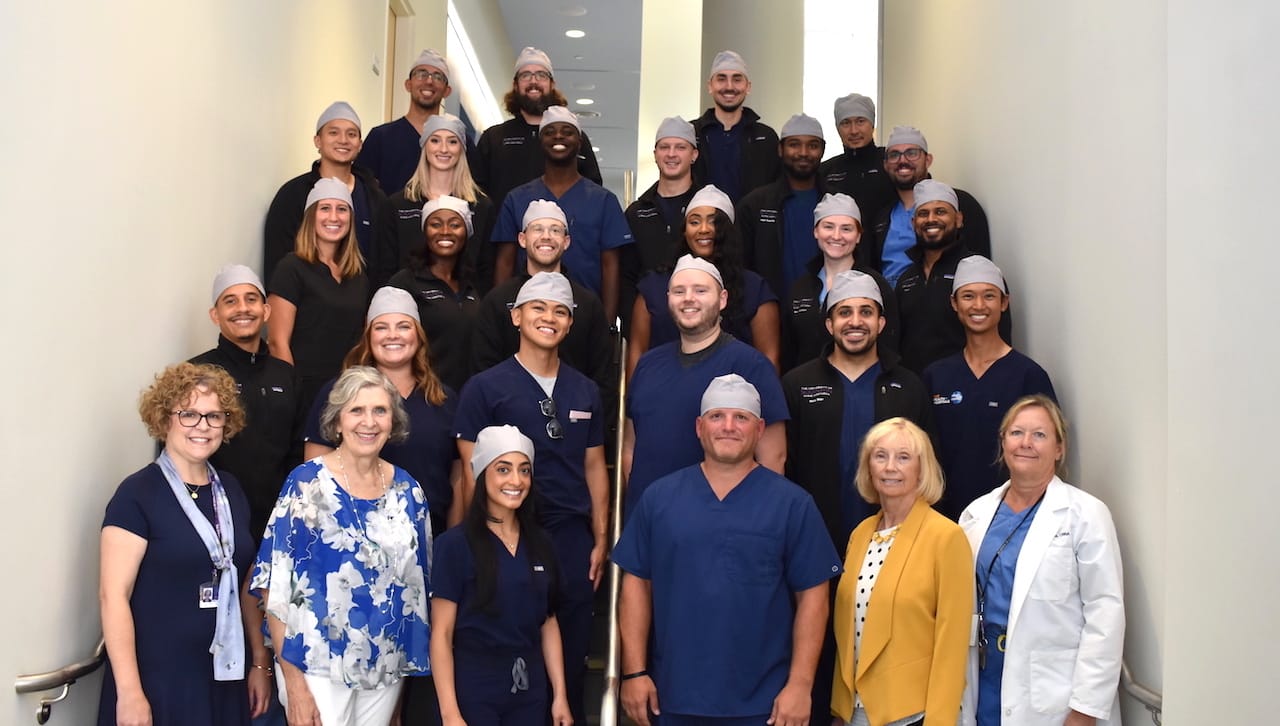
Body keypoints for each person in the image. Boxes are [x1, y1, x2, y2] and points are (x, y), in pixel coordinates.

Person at [613, 374, 841, 726]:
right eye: (717, 417)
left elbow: (813, 597)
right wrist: (633, 672)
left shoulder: (793, 504)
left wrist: (800, 684)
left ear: (760, 428)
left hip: (766, 705)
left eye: (741, 418)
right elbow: (635, 587)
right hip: (673, 697)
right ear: (699, 427)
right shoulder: (659, 499)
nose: (728, 427)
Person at [453, 272, 608, 726]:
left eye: (561, 311)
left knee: (574, 650)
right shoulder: (485, 388)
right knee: (510, 651)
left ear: (570, 324)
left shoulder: (585, 390)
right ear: (516, 316)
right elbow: (470, 470)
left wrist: (599, 535)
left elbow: (595, 466)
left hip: (570, 536)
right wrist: (473, 540)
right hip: (507, 536)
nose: (549, 317)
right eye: (538, 308)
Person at [252, 366, 432, 726]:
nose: (369, 422)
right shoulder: (306, 484)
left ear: (393, 421)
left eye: (379, 410)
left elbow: (417, 592)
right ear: (337, 422)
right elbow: (273, 587)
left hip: (384, 669)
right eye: (356, 410)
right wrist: (295, 685)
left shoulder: (409, 492)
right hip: (315, 666)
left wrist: (399, 690)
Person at [99, 363, 268, 725]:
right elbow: (112, 596)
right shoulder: (138, 494)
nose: (203, 426)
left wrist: (258, 662)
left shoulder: (231, 490)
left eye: (213, 416)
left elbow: (243, 586)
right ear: (164, 420)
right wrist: (130, 693)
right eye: (189, 414)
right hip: (158, 680)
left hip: (224, 673)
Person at [959, 395, 1125, 726]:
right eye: (1016, 432)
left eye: (1039, 435)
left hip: (1055, 694)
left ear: (1059, 448)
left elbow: (1105, 613)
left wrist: (1085, 709)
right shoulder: (975, 514)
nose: (1026, 443)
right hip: (986, 676)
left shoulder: (1086, 515)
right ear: (1003, 441)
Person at [830, 417, 973, 726]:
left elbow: (953, 643)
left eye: (903, 457)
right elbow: (848, 630)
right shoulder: (861, 533)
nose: (890, 466)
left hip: (912, 714)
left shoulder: (946, 537)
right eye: (880, 456)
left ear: (922, 469)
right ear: (869, 467)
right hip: (854, 712)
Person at [623, 255, 788, 517]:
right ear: (668, 299)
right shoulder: (647, 366)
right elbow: (631, 446)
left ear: (722, 299)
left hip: (719, 527)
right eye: (679, 291)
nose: (689, 298)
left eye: (700, 290)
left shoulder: (751, 366)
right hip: (649, 527)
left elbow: (773, 458)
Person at [430, 425, 573, 726]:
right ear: (482, 475)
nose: (516, 480)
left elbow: (548, 621)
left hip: (529, 689)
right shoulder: (454, 545)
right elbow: (441, 634)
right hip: (474, 687)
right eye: (503, 469)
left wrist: (559, 694)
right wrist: (450, 714)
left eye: (524, 470)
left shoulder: (541, 542)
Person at [302, 286, 461, 537]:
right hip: (351, 543)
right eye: (381, 327)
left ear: (418, 335)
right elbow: (314, 473)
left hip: (429, 537)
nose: (393, 335)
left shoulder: (444, 399)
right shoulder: (339, 393)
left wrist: (453, 541)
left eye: (403, 326)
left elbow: (457, 479)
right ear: (368, 335)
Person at [924, 256, 1056, 520]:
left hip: (1013, 517)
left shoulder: (1028, 376)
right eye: (968, 296)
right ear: (954, 303)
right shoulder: (935, 377)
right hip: (946, 519)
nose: (979, 305)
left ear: (1004, 303)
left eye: (989, 296)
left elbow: (1049, 454)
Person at [191, 264, 302, 543]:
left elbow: (298, 450)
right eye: (230, 301)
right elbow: (178, 455)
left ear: (266, 311)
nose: (243, 308)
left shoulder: (286, 374)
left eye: (251, 299)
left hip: (278, 524)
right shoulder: (197, 373)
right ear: (215, 315)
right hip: (214, 522)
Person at [490, 106, 632, 321]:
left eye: (567, 131)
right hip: (528, 314)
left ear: (580, 142)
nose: (558, 136)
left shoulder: (604, 200)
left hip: (585, 315)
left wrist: (609, 323)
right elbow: (505, 262)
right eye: (549, 131)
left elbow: (610, 266)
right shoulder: (516, 199)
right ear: (540, 142)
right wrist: (500, 316)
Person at [627, 184, 780, 378]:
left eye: (713, 222)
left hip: (731, 404)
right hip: (665, 394)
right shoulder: (653, 287)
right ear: (684, 231)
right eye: (694, 222)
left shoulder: (755, 288)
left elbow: (769, 361)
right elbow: (637, 355)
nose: (704, 229)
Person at [471, 199, 613, 401]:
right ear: (522, 239)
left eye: (555, 230)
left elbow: (602, 379)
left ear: (566, 241)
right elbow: (482, 371)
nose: (546, 237)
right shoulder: (498, 300)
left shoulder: (588, 304)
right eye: (537, 229)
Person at [266, 177, 371, 411]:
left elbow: (361, 342)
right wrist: (290, 393)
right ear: (311, 216)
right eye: (325, 208)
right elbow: (277, 342)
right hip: (302, 393)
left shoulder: (358, 276)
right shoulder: (291, 267)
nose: (334, 217)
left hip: (345, 392)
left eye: (342, 209)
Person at [896, 180, 1010, 374]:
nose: (931, 219)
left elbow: (1001, 341)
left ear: (958, 219)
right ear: (914, 223)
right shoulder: (906, 279)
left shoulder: (980, 274)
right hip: (917, 392)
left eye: (940, 212)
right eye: (923, 213)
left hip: (964, 389)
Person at [372, 112, 495, 292]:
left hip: (461, 312)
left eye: (452, 141)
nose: (443, 149)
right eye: (435, 140)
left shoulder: (481, 206)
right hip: (406, 309)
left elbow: (485, 272)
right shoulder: (397, 205)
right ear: (424, 146)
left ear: (462, 148)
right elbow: (384, 269)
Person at [264, 102, 385, 282]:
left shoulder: (374, 198)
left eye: (351, 134)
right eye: (333, 132)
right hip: (306, 305)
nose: (343, 140)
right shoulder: (293, 194)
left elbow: (383, 261)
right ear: (317, 141)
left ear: (360, 145)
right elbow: (277, 262)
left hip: (363, 305)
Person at [473, 46, 602, 210]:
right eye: (525, 75)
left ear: (552, 84)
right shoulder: (494, 138)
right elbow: (477, 194)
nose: (533, 81)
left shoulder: (573, 138)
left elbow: (593, 192)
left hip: (561, 233)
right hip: (505, 234)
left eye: (541, 75)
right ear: (515, 84)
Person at [782, 192, 897, 371]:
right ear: (815, 231)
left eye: (846, 229)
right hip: (808, 390)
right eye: (828, 226)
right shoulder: (800, 288)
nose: (836, 236)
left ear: (858, 236)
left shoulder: (877, 287)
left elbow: (890, 347)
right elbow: (789, 351)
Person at [864, 126, 990, 286]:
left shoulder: (961, 204)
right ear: (886, 165)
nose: (903, 160)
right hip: (893, 306)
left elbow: (981, 265)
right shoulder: (880, 217)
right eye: (894, 155)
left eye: (912, 153)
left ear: (928, 160)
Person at [386, 195, 482, 392]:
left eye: (455, 225)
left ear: (466, 232)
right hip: (423, 394)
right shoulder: (405, 282)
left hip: (465, 396)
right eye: (435, 224)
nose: (445, 232)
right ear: (425, 231)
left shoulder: (472, 286)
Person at [737, 113, 829, 300]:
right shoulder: (754, 205)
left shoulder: (837, 202)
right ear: (780, 149)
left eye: (812, 145)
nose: (803, 153)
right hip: (769, 312)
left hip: (828, 313)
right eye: (794, 144)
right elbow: (741, 267)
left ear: (822, 150)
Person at [358, 49, 471, 196]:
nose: (429, 81)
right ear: (408, 84)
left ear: (447, 91)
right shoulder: (381, 137)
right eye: (421, 74)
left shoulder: (460, 142)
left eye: (438, 77)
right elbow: (362, 191)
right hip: (390, 219)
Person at [691, 50, 780, 203]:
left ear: (748, 86)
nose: (729, 86)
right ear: (710, 86)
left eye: (737, 79)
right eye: (721, 79)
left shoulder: (766, 137)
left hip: (751, 226)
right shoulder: (691, 133)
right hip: (703, 225)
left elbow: (776, 189)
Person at [624, 116, 701, 283]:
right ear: (655, 154)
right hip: (645, 307)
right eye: (664, 147)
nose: (671, 154)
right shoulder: (636, 213)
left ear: (694, 155)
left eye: (680, 147)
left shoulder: (705, 207)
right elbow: (627, 274)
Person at [817, 93, 895, 220]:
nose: (854, 131)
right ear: (838, 129)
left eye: (860, 121)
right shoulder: (825, 171)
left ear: (872, 125)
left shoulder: (891, 162)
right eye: (846, 123)